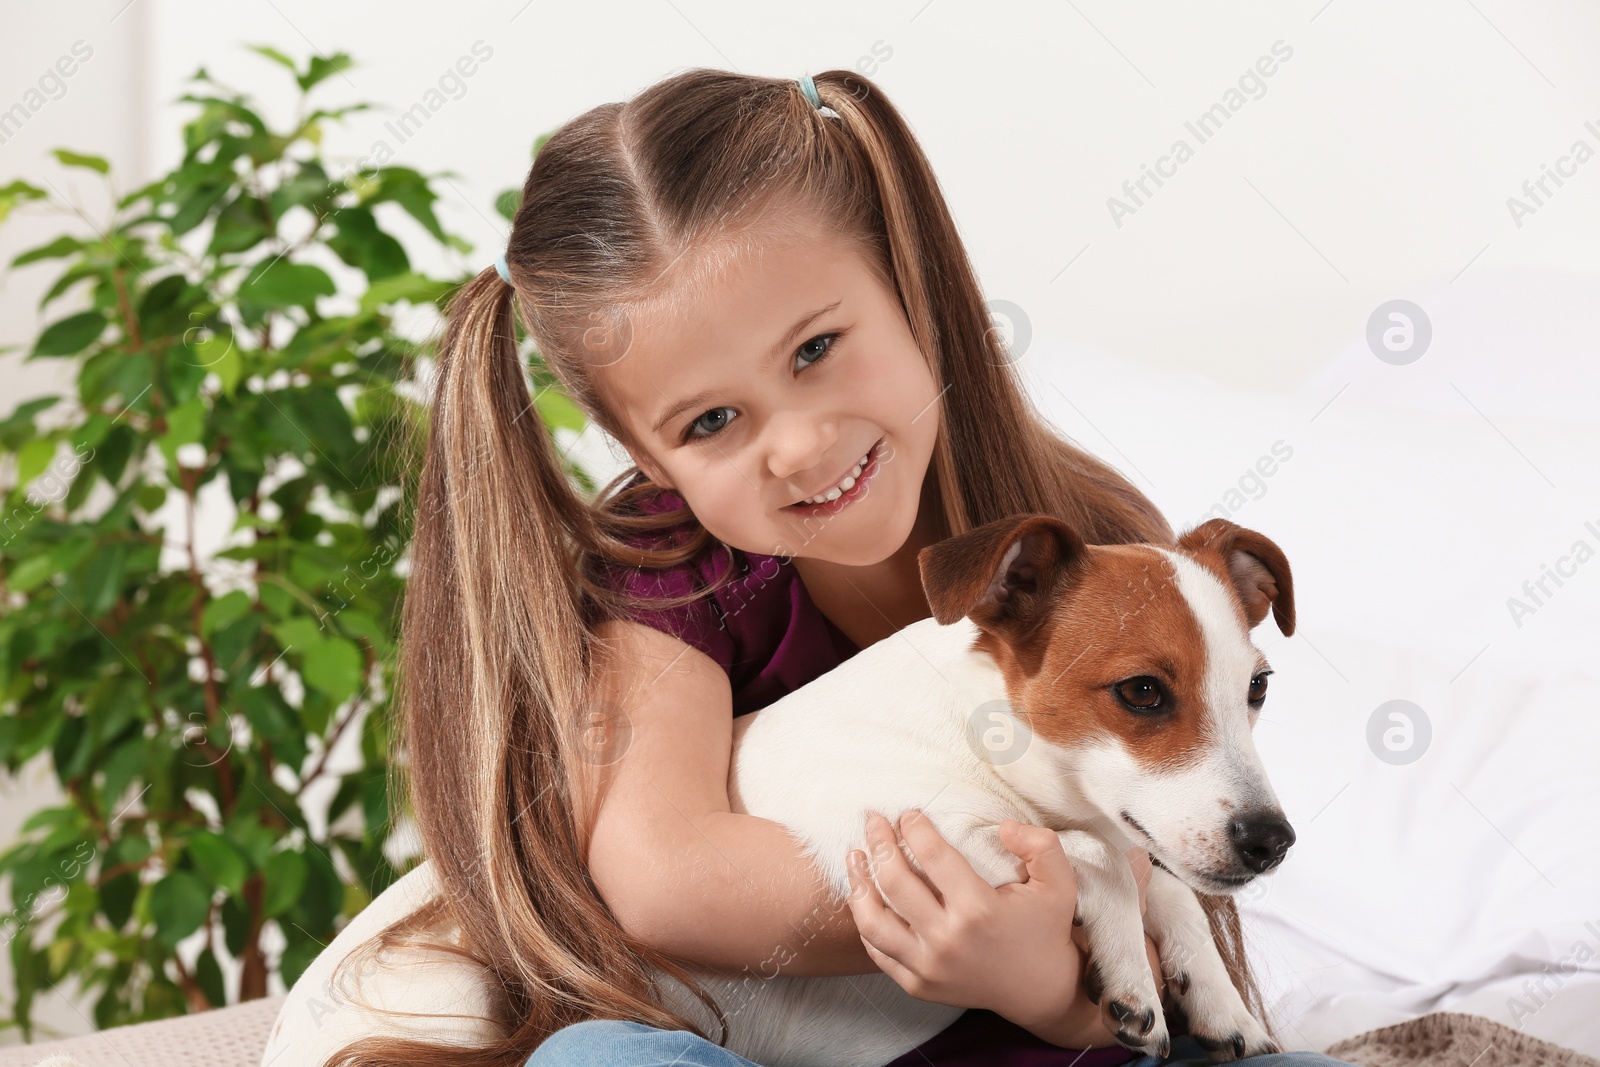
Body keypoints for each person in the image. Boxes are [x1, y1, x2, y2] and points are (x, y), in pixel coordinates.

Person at [319, 68, 1360, 1067]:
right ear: (647, 458)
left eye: (814, 348)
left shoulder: (1104, 551)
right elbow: (666, 882)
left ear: (908, 286)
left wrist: (1041, 971)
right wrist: (999, 890)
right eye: (712, 419)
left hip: (1051, 1051)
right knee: (599, 1057)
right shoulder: (671, 577)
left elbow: (1142, 986)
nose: (803, 447)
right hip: (759, 1050)